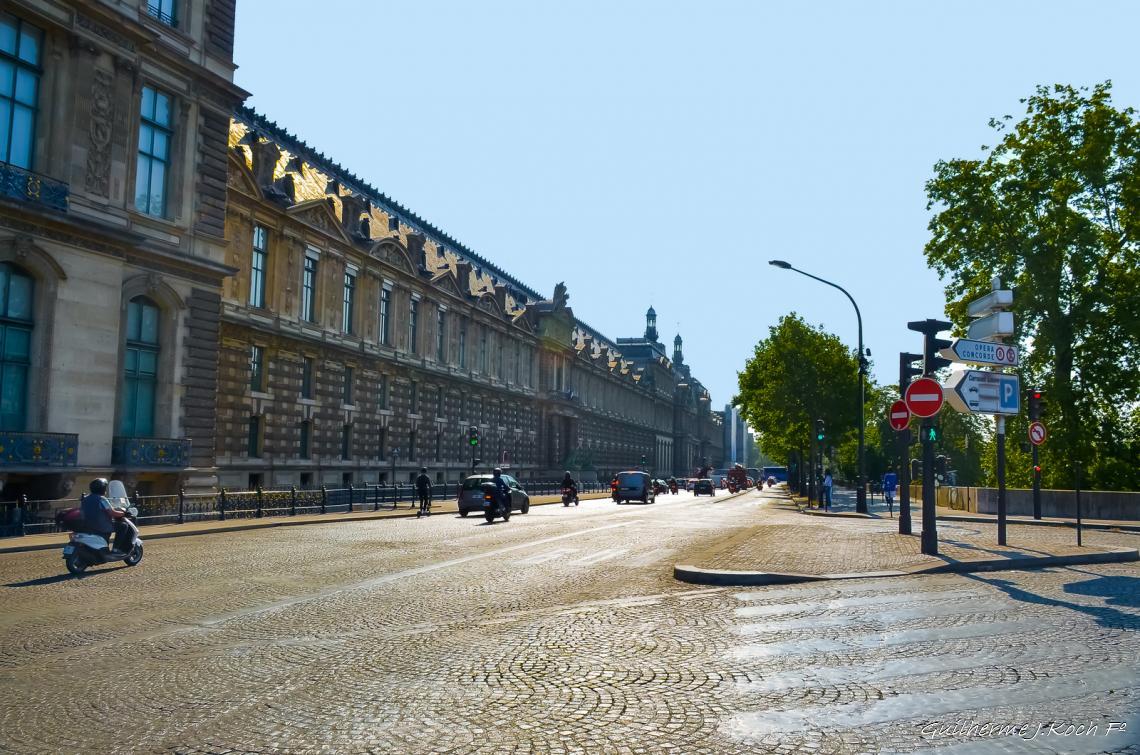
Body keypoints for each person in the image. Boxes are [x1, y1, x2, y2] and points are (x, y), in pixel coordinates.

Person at [80, 478, 125, 551]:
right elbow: (112, 513)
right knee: (123, 526)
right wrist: (123, 513)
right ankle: (116, 549)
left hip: (88, 526)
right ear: (102, 489)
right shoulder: (102, 499)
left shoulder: (85, 499)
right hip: (101, 526)